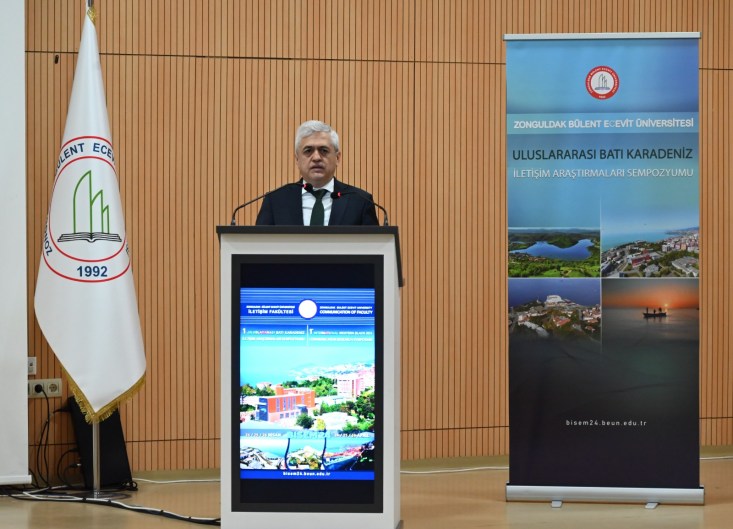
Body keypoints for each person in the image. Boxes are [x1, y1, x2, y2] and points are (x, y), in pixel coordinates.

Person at [255, 120, 379, 226]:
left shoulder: (360, 201)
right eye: (308, 151)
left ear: (337, 158)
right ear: (297, 159)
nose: (316, 157)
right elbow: (259, 245)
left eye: (324, 150)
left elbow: (373, 246)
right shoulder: (275, 200)